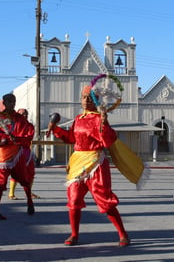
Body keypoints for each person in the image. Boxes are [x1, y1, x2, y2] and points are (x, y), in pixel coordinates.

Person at [46, 85, 130, 247]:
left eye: (89, 97)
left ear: (96, 100)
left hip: (96, 163)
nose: (86, 100)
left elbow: (108, 140)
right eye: (84, 97)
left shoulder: (100, 118)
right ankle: (74, 234)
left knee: (105, 201)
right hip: (78, 163)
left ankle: (123, 234)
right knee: (74, 199)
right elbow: (71, 138)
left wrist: (104, 125)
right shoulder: (79, 119)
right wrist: (55, 129)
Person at [8, 108, 40, 200]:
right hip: (15, 151)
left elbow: (29, 137)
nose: (24, 115)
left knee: (31, 172)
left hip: (26, 151)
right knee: (16, 172)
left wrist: (16, 138)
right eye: (22, 114)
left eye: (25, 114)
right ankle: (11, 193)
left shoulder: (29, 126)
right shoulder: (12, 125)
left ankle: (29, 192)